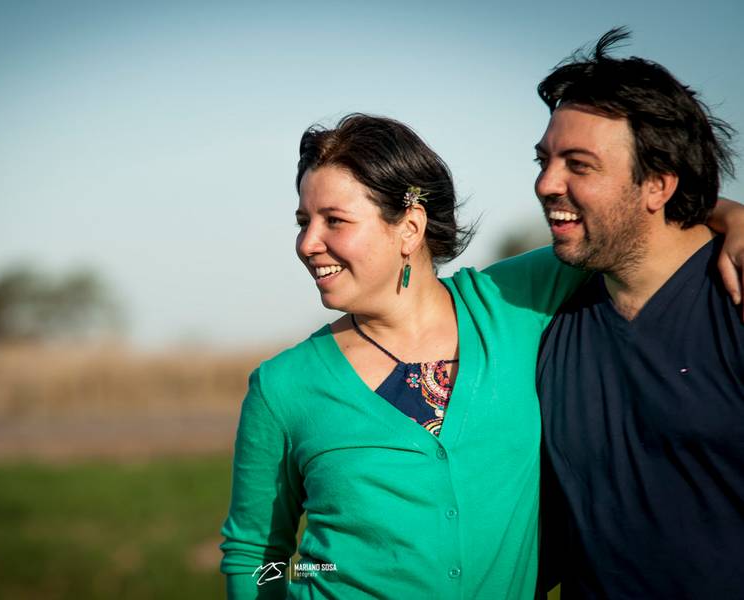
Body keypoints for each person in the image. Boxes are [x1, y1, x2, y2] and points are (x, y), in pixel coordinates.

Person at [220, 113, 743, 599]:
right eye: (302, 220)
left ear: (410, 226)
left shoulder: (514, 302)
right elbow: (255, 554)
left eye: (334, 220)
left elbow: (624, 223)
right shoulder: (282, 387)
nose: (308, 242)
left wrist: (730, 214)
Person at [535, 28, 744, 598]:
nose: (546, 183)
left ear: (657, 184)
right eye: (546, 160)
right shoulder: (544, 315)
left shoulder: (734, 298)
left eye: (579, 164)